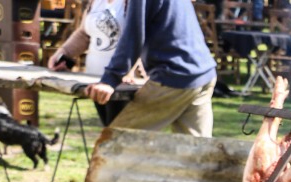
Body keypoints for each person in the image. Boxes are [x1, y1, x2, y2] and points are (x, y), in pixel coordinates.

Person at [85, 0, 217, 137]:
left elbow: (133, 35)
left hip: (174, 77)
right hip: (204, 73)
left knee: (116, 143)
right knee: (198, 153)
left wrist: (110, 79)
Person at [47, 0, 132, 126]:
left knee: (121, 135)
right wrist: (62, 53)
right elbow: (84, 34)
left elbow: (141, 37)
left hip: (122, 82)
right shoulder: (95, 2)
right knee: (109, 132)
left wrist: (129, 71)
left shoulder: (132, 3)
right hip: (95, 80)